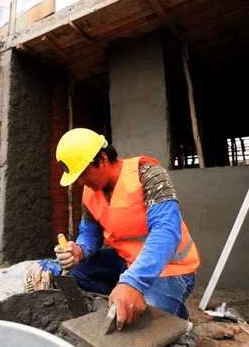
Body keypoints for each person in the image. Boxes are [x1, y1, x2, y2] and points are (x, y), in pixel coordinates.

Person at [54, 128, 200, 345]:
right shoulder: (90, 191)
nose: (80, 182)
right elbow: (90, 233)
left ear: (102, 159)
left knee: (143, 320)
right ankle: (122, 299)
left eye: (83, 173)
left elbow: (166, 232)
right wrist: (80, 250)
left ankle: (179, 323)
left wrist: (133, 283)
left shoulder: (148, 175)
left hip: (170, 268)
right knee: (77, 275)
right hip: (127, 262)